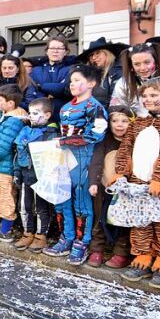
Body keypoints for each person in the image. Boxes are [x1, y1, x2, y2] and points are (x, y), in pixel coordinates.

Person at [114, 78, 160, 289]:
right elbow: (125, 148)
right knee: (140, 220)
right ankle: (142, 255)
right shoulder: (138, 122)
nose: (149, 100)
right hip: (136, 181)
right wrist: (121, 172)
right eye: (145, 96)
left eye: (154, 95)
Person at [44, 65, 108, 263]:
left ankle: (82, 241)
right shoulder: (64, 108)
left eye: (77, 80)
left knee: (82, 201)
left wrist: (64, 142)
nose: (73, 85)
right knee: (62, 199)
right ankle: (67, 236)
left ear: (91, 83)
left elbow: (96, 135)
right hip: (64, 159)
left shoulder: (95, 107)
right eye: (71, 81)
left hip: (84, 160)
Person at [86, 105, 133, 267]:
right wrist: (93, 183)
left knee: (122, 222)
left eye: (124, 121)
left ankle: (121, 253)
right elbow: (96, 162)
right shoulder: (104, 141)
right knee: (99, 219)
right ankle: (97, 249)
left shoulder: (133, 142)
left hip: (125, 191)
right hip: (103, 187)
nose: (119, 124)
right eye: (115, 121)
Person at [13, 97, 60, 251]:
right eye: (30, 113)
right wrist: (17, 173)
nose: (31, 116)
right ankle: (28, 233)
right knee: (24, 206)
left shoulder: (51, 133)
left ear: (47, 115)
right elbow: (18, 153)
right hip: (26, 175)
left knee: (41, 208)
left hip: (41, 178)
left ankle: (41, 235)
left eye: (35, 113)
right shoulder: (26, 131)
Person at [0, 84, 28, 243]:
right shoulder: (7, 116)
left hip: (5, 167)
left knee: (6, 198)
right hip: (1, 165)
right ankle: (3, 226)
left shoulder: (13, 121)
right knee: (1, 196)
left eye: (0, 100)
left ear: (11, 103)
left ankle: (5, 231)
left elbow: (2, 147)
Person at [30, 38, 76, 117]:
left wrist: (41, 86)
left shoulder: (72, 69)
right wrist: (54, 90)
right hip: (39, 115)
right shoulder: (35, 70)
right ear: (47, 51)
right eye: (52, 48)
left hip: (64, 114)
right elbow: (32, 92)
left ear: (65, 52)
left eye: (59, 48)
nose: (55, 51)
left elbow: (65, 88)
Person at [77, 37, 127, 106]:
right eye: (91, 55)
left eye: (97, 53)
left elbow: (115, 100)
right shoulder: (92, 74)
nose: (94, 58)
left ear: (107, 53)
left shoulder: (118, 71)